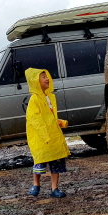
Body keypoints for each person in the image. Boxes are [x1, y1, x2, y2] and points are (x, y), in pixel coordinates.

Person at [24, 68, 70, 198]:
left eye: (47, 76)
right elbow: (34, 119)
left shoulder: (50, 97)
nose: (47, 79)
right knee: (40, 160)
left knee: (56, 160)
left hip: (53, 134)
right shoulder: (34, 100)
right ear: (35, 81)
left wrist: (59, 122)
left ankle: (54, 188)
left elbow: (49, 116)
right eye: (43, 77)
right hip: (41, 136)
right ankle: (36, 184)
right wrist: (44, 134)